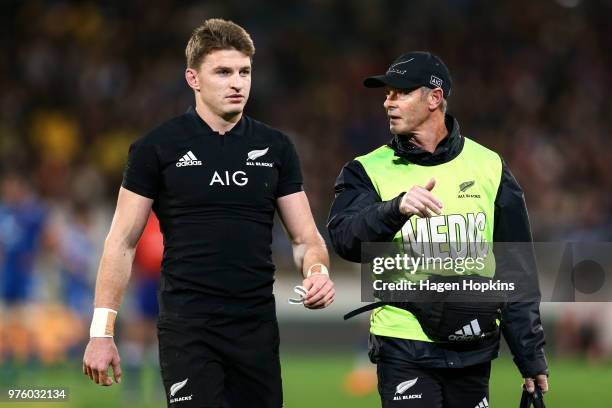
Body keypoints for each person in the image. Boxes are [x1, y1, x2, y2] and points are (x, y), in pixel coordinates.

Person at [82, 18, 335, 408]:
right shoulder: (156, 148)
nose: (237, 82)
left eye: (244, 72)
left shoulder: (276, 147)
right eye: (223, 72)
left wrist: (316, 271)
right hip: (188, 328)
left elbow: (306, 239)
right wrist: (102, 331)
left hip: (256, 329)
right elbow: (121, 242)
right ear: (193, 79)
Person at [327, 51, 548, 407]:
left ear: (434, 98)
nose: (388, 102)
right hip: (403, 344)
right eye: (386, 94)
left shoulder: (489, 166)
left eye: (400, 92)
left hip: (473, 345)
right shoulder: (366, 170)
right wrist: (394, 209)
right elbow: (344, 239)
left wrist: (530, 357)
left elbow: (516, 269)